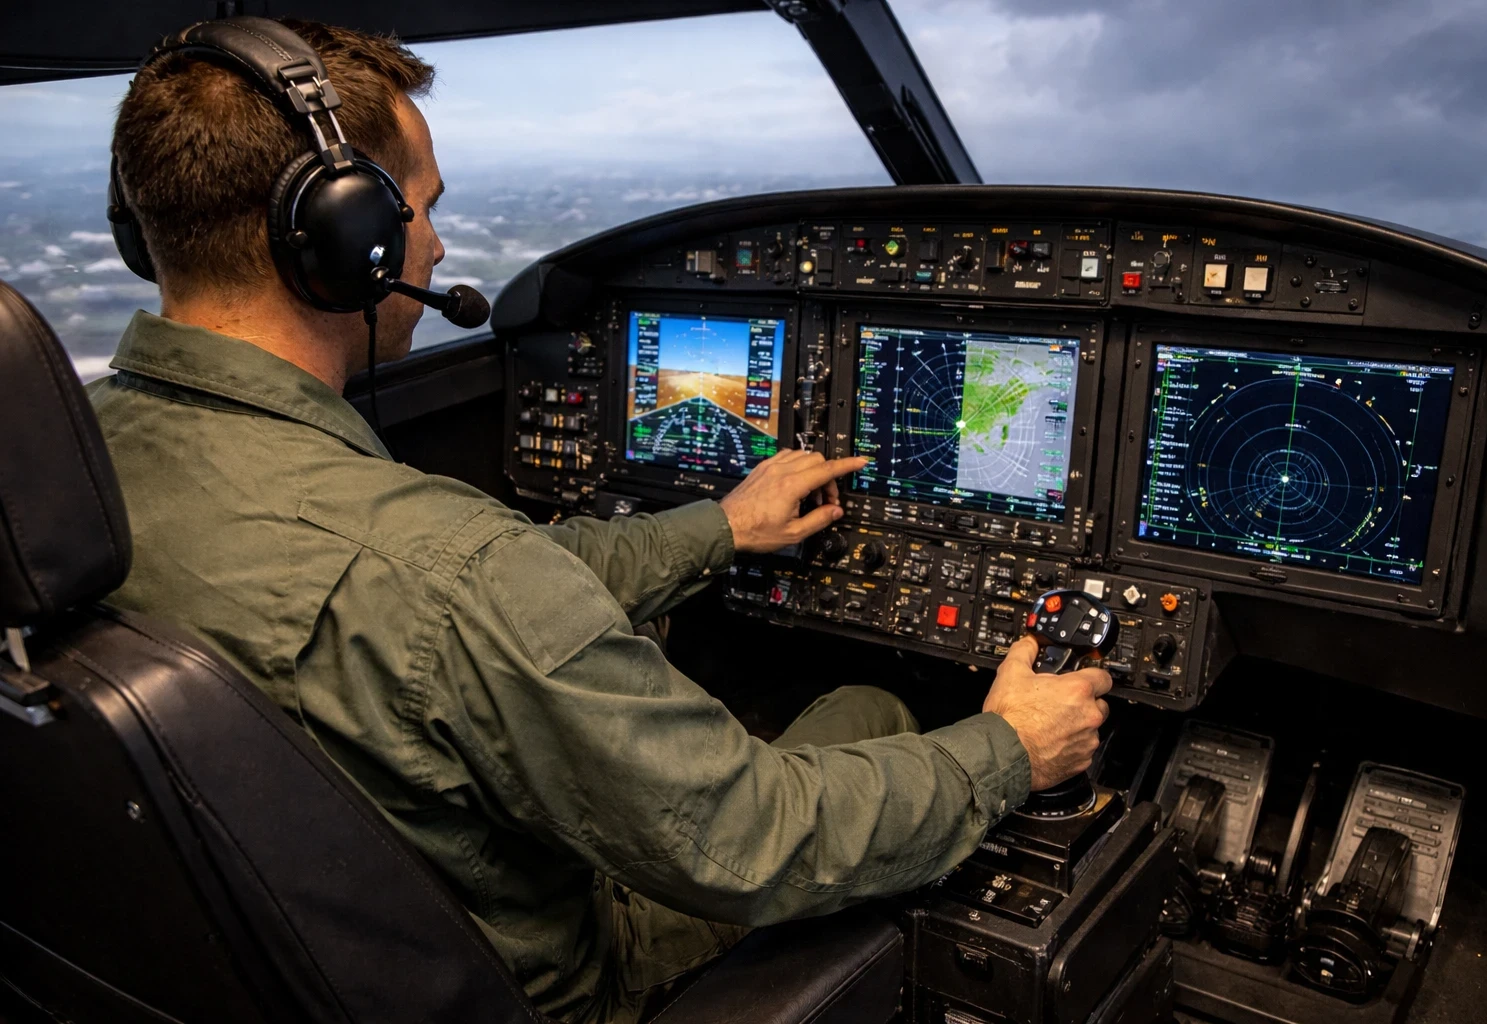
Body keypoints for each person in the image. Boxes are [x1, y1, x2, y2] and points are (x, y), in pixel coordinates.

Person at [89, 19, 1111, 1024]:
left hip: (266, 958)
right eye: (421, 208)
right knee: (877, 707)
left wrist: (717, 529)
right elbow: (755, 837)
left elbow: (480, 586)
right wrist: (1013, 745)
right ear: (345, 237)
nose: (434, 243)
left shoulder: (75, 467)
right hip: (555, 982)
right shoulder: (448, 572)